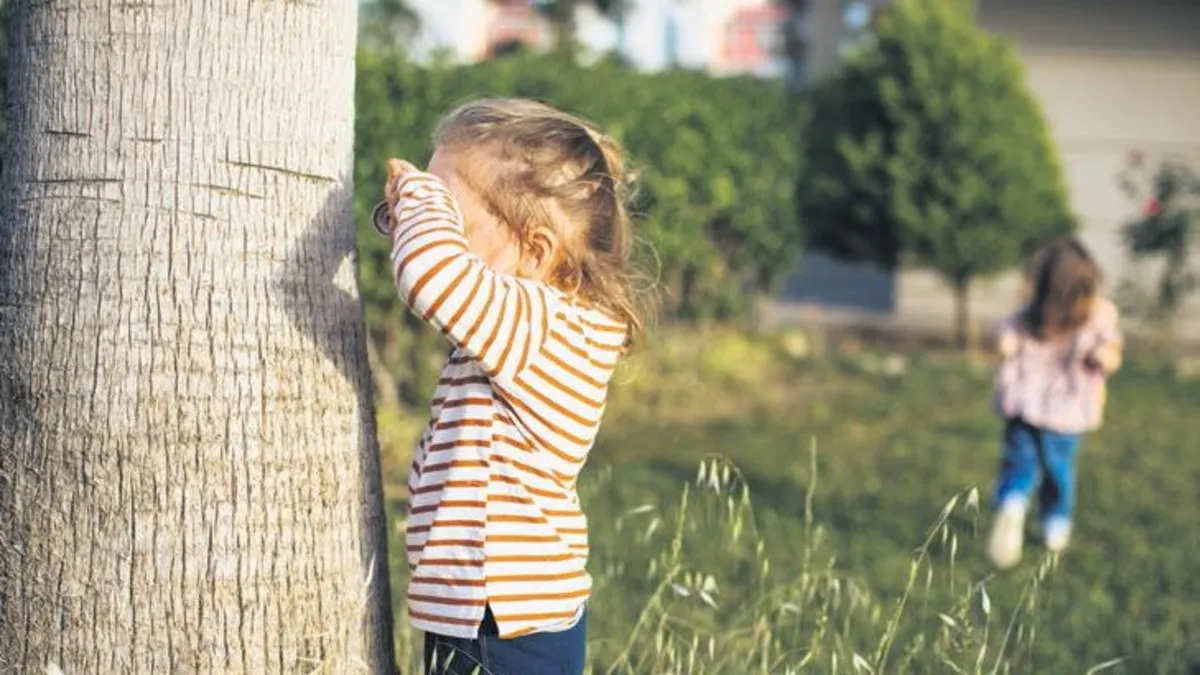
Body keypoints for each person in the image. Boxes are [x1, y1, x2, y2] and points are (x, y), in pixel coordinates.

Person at [378, 99, 642, 674]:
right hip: (490, 608)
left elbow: (429, 274)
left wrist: (421, 195)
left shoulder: (540, 321)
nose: (425, 227)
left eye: (453, 217)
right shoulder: (531, 324)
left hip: (501, 613)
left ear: (535, 251)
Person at [987, 237, 1123, 569]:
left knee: (1025, 464)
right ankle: (1050, 521)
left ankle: (1017, 505)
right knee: (1056, 470)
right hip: (1060, 412)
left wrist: (1102, 356)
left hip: (1036, 407)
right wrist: (1102, 358)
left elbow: (1113, 349)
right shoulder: (1081, 315)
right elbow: (1113, 350)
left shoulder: (1048, 315)